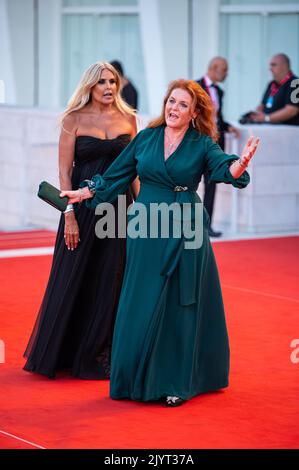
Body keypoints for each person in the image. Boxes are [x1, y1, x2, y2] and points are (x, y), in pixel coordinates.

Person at [61, 79, 259, 406]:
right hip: (146, 229)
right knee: (142, 300)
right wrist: (81, 193)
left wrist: (240, 166)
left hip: (185, 228)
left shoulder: (201, 144)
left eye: (182, 104)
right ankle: (132, 377)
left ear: (194, 113)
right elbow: (115, 177)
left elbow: (225, 169)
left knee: (180, 304)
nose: (174, 108)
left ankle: (175, 382)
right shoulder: (146, 139)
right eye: (171, 101)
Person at [23, 61, 138, 379]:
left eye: (112, 82)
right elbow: (64, 171)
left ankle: (103, 353)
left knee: (112, 278)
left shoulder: (129, 119)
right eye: (102, 82)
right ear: (89, 85)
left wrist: (140, 210)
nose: (108, 88)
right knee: (76, 275)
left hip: (118, 209)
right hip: (82, 210)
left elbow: (133, 169)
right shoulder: (72, 119)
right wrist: (68, 215)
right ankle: (66, 352)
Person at [197, 57, 240, 238]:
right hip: (197, 143)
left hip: (213, 146)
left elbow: (217, 117)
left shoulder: (219, 92)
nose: (227, 73)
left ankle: (206, 226)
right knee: (186, 183)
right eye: (225, 70)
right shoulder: (195, 87)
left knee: (211, 184)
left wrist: (227, 125)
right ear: (214, 68)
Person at [250, 53, 299, 125]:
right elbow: (262, 105)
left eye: (274, 65)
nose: (270, 68)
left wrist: (267, 118)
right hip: (270, 127)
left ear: (284, 66)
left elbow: (292, 110)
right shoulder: (271, 84)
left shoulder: (296, 83)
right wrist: (256, 115)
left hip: (289, 129)